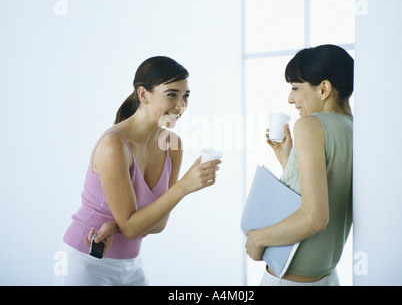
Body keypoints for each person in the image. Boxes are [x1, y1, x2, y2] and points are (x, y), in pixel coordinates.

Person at [58, 56, 221, 285]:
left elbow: (159, 224)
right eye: (171, 95)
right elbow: (133, 228)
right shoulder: (114, 145)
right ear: (143, 94)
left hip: (130, 264)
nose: (181, 106)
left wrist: (116, 226)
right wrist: (184, 187)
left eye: (185, 96)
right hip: (86, 262)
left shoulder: (172, 145)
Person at [245, 44, 353, 286]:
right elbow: (329, 187)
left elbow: (315, 218)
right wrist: (288, 159)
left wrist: (258, 238)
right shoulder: (356, 128)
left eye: (295, 88)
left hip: (289, 280)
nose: (290, 99)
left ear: (324, 88)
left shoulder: (310, 125)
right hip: (328, 276)